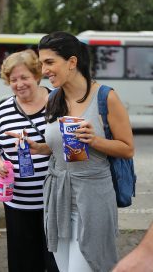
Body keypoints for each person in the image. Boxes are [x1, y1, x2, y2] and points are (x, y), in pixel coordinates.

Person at [8, 31, 134, 272]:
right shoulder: (54, 98)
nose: (44, 70)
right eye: (42, 63)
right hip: (58, 199)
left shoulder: (106, 97)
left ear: (72, 62)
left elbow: (127, 149)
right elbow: (61, 149)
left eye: (49, 62)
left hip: (93, 198)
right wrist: (39, 148)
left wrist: (94, 140)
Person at [0, 49, 59, 272]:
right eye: (13, 79)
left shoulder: (58, 101)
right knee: (24, 263)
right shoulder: (3, 110)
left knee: (56, 264)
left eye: (24, 77)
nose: (19, 84)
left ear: (37, 75)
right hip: (18, 204)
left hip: (55, 203)